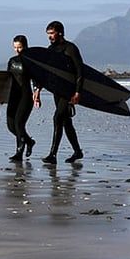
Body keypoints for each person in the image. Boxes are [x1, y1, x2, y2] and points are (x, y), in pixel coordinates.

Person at [33, 21, 84, 164]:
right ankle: (78, 151)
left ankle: (53, 155)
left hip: (68, 91)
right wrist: (38, 89)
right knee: (66, 121)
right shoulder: (50, 50)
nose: (49, 36)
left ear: (60, 32)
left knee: (57, 118)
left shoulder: (71, 49)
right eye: (48, 34)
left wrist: (78, 92)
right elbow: (46, 72)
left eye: (51, 33)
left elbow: (80, 71)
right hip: (57, 90)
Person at [6, 35, 35, 161]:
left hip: (26, 96)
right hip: (13, 96)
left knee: (19, 124)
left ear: (25, 46)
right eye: (15, 47)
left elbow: (38, 80)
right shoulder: (12, 61)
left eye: (20, 47)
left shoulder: (31, 62)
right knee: (11, 125)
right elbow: (7, 80)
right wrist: (2, 96)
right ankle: (29, 141)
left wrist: (37, 93)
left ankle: (19, 153)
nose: (17, 50)